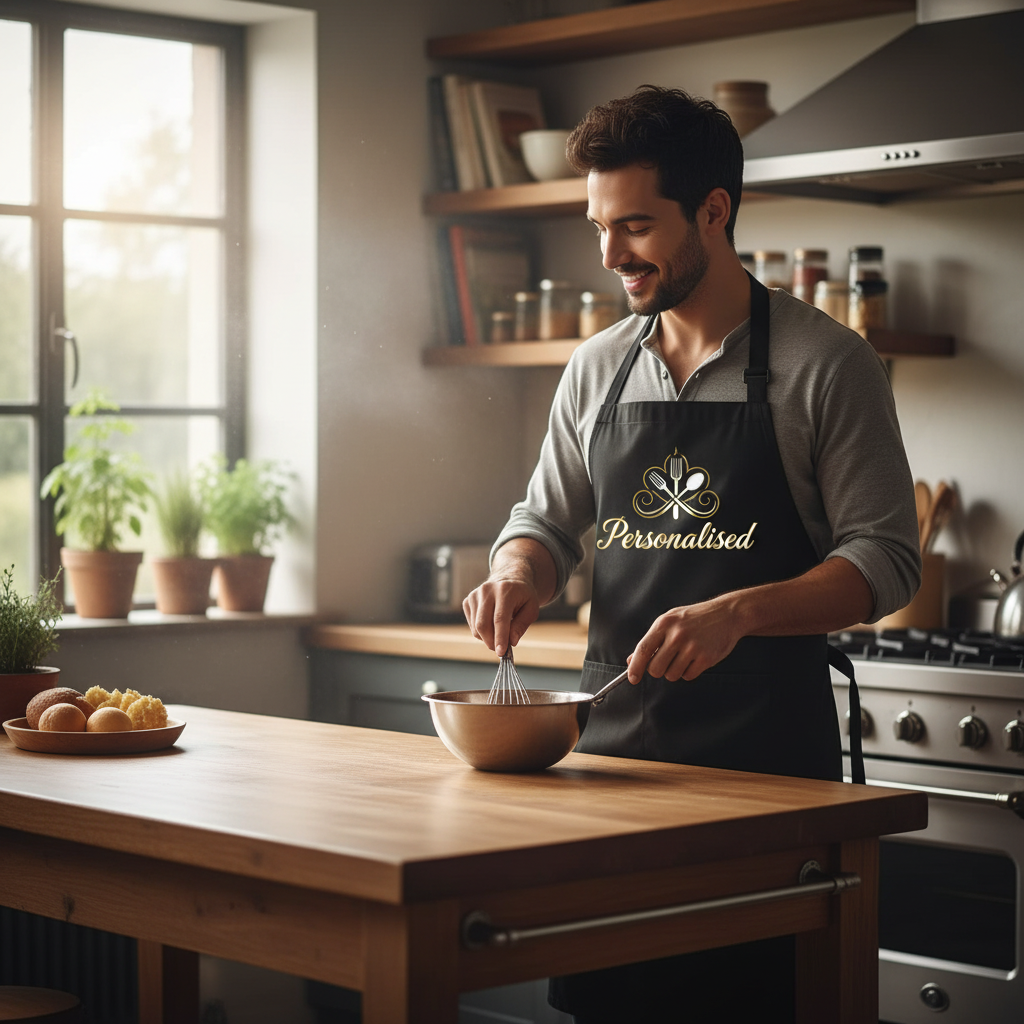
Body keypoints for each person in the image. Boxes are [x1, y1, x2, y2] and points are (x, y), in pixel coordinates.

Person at [463, 85, 921, 1023]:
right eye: (598, 225)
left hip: (764, 784)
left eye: (635, 225)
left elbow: (886, 557)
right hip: (613, 771)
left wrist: (742, 610)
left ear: (714, 211)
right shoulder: (597, 366)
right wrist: (517, 572)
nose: (609, 255)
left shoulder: (829, 364)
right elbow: (546, 523)